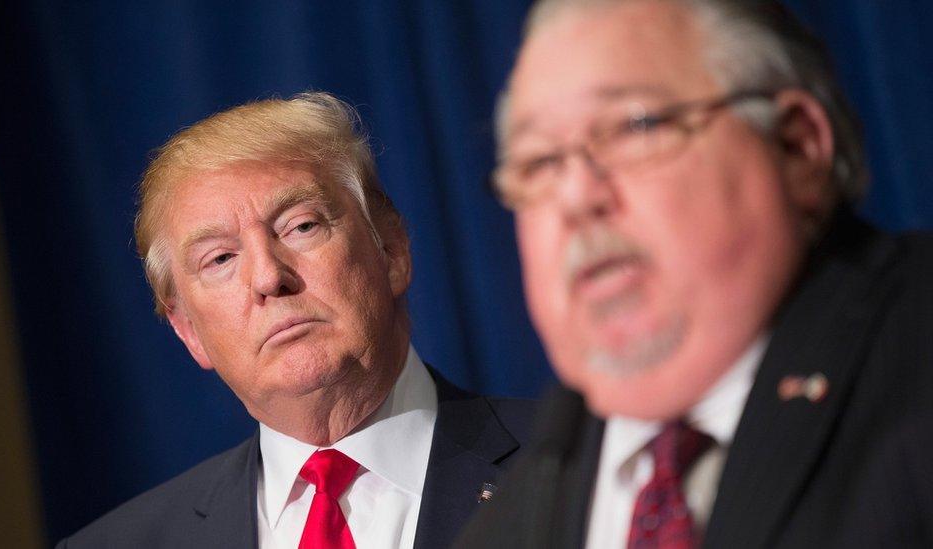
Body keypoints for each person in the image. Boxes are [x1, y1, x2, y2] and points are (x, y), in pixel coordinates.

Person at [457, 0, 933, 547]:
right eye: (539, 162)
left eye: (635, 126)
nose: (575, 197)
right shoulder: (502, 525)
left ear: (798, 147)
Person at [57, 92, 534, 549]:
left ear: (391, 251)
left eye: (301, 226)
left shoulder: (579, 465)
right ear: (188, 332)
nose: (268, 277)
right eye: (220, 258)